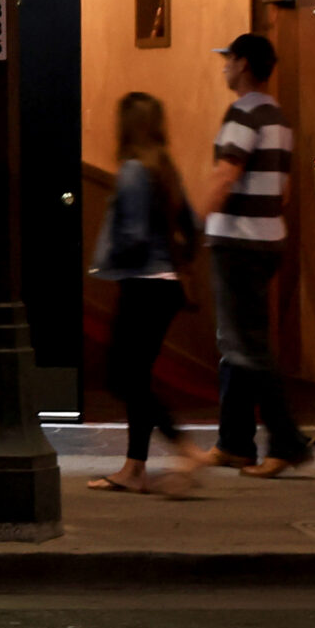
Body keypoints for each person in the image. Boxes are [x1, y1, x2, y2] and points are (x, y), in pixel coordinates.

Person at [202, 32, 311, 477]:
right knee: (237, 343)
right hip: (267, 240)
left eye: (228, 59)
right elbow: (281, 190)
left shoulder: (243, 113)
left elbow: (227, 173)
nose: (224, 66)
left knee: (248, 345)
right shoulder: (278, 118)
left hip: (238, 242)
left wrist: (194, 222)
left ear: (244, 63)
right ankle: (235, 443)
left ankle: (286, 443)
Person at [88, 92, 207, 494]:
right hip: (166, 286)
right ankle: (134, 469)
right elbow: (191, 224)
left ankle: (185, 446)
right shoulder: (165, 168)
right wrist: (179, 263)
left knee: (123, 379)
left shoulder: (135, 170)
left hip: (143, 284)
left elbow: (135, 237)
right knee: (136, 376)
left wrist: (110, 256)